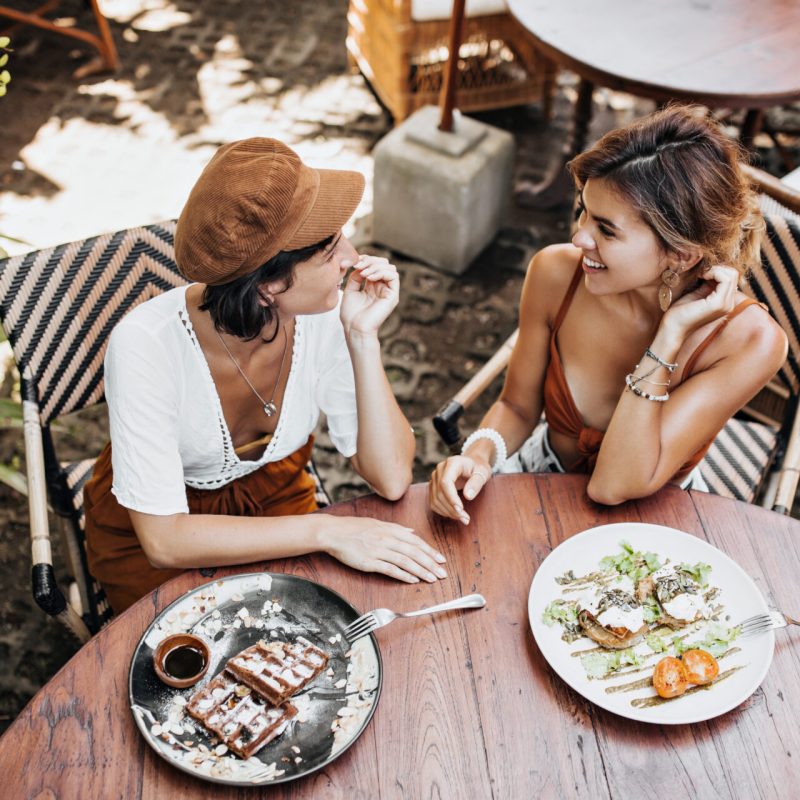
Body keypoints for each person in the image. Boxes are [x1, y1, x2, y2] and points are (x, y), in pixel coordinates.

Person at [85, 138, 447, 614]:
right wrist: (328, 530)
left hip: (277, 501)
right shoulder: (144, 346)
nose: (352, 257)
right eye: (329, 247)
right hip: (160, 533)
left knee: (314, 639)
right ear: (267, 286)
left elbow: (393, 478)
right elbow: (165, 540)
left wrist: (362, 337)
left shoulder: (324, 314)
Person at [429, 105, 788, 522]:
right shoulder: (555, 274)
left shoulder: (751, 343)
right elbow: (517, 407)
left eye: (607, 229)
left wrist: (667, 338)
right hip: (535, 479)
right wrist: (479, 454)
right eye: (582, 210)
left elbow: (612, 485)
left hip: (653, 520)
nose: (579, 237)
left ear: (681, 253)